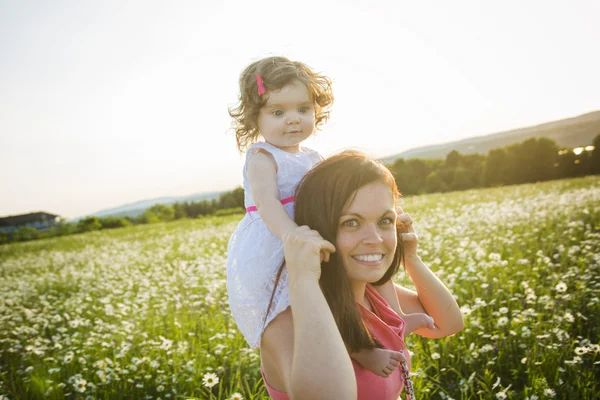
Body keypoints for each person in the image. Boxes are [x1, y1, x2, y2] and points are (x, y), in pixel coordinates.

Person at [226, 56, 434, 378]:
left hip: (317, 230)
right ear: (256, 118)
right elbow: (267, 203)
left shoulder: (313, 157)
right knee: (315, 303)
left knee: (366, 275)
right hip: (281, 242)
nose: (293, 119)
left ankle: (395, 318)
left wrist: (374, 216)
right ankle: (360, 349)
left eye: (303, 109)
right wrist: (293, 236)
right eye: (278, 112)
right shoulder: (262, 157)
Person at [259, 151, 464, 400]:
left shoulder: (373, 293)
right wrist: (302, 279)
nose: (375, 239)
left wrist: (410, 258)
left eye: (385, 221)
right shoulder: (285, 321)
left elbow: (448, 325)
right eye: (352, 223)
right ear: (318, 228)